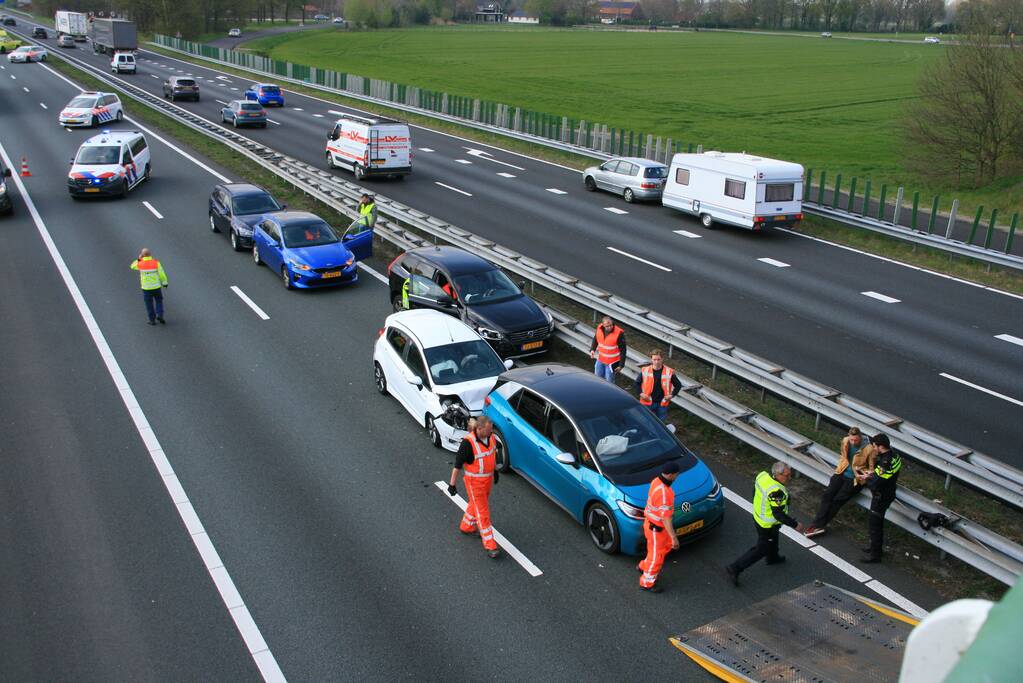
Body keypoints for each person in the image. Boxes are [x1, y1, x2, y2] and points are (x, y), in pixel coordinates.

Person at [725, 462, 803, 586]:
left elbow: (755, 491)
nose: (789, 478)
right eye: (787, 475)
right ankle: (735, 568)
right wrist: (795, 524)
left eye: (790, 474)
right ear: (778, 474)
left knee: (773, 538)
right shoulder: (777, 492)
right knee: (762, 548)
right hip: (767, 525)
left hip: (758, 516)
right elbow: (779, 514)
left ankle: (773, 557)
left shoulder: (762, 476)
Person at [447, 415, 501, 559]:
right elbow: (457, 466)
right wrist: (452, 484)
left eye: (491, 430)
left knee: (476, 505)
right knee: (483, 513)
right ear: (480, 429)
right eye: (488, 430)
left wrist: (495, 470)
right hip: (474, 483)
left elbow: (492, 455)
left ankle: (466, 526)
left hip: (487, 480)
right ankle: (490, 545)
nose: (490, 433)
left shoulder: (491, 437)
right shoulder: (468, 444)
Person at [803, 427, 873, 537]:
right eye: (851, 440)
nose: (853, 442)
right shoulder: (845, 441)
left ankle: (817, 525)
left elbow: (871, 468)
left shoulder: (869, 448)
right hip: (841, 472)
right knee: (827, 496)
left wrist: (863, 475)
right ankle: (817, 525)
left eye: (855, 440)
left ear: (860, 437)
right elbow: (843, 457)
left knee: (837, 501)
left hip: (854, 479)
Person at [638, 461, 681, 593]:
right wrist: (673, 537)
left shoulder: (656, 481)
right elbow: (666, 518)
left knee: (655, 551)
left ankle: (644, 566)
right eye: (676, 474)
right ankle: (647, 582)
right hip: (656, 529)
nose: (677, 477)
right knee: (657, 557)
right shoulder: (663, 493)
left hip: (652, 525)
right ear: (670, 475)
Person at [861, 433, 902, 564]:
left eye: (874, 446)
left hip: (881, 496)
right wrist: (873, 473)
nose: (873, 448)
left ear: (881, 446)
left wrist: (866, 478)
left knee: (875, 525)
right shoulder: (894, 455)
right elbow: (882, 474)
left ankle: (875, 555)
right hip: (888, 492)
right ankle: (875, 547)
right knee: (876, 524)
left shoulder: (886, 462)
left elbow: (876, 483)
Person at [635, 349, 682, 422]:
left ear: (662, 359)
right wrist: (641, 394)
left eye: (658, 359)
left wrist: (671, 395)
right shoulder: (645, 370)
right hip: (647, 401)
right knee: (644, 422)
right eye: (654, 359)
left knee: (660, 424)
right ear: (651, 359)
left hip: (662, 403)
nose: (656, 362)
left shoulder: (669, 372)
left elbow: (678, 385)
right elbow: (637, 383)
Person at [129, 248, 168, 325]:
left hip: (146, 288)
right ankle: (160, 315)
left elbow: (132, 266)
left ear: (142, 255)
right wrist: (164, 283)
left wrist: (139, 259)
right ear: (150, 254)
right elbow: (161, 274)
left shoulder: (140, 263)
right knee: (159, 301)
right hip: (156, 287)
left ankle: (152, 320)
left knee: (149, 304)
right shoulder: (156, 263)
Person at [590, 316, 626, 382]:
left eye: (611, 325)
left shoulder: (619, 333)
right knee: (597, 379)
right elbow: (595, 339)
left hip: (611, 363)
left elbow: (623, 350)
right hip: (600, 359)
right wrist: (592, 349)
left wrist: (621, 365)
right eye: (607, 326)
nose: (609, 327)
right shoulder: (599, 328)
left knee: (609, 383)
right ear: (603, 325)